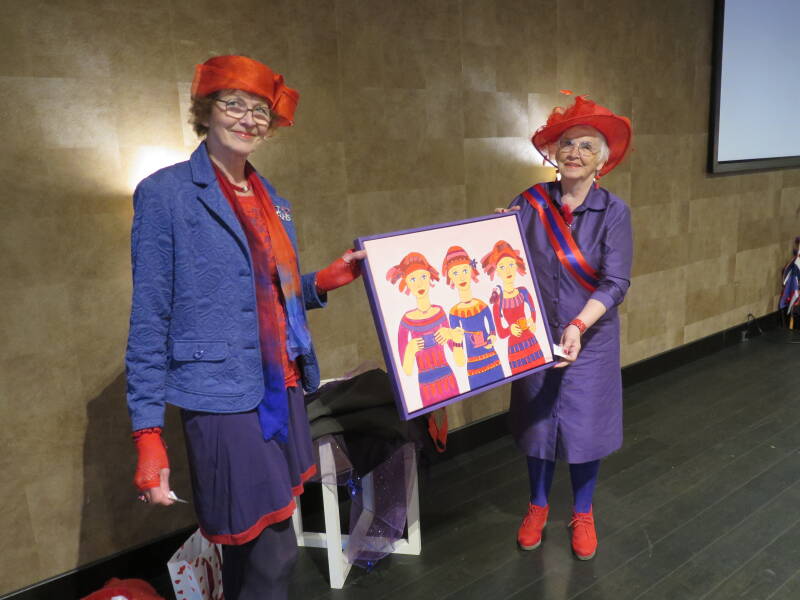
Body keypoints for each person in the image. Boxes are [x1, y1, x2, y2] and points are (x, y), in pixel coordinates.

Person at [125, 55, 364, 600]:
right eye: (234, 104)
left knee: (253, 547)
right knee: (273, 551)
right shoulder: (165, 193)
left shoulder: (272, 199)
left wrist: (323, 281)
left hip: (283, 384)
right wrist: (147, 433)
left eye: (261, 111)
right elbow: (149, 318)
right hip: (223, 398)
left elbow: (267, 296)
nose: (248, 119)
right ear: (206, 110)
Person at [503, 95, 633, 560]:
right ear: (554, 153)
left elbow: (615, 282)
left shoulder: (614, 212)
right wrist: (493, 234)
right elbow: (501, 259)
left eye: (587, 146)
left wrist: (578, 324)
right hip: (534, 334)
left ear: (602, 161)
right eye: (567, 144)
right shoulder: (529, 202)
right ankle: (537, 506)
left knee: (585, 430)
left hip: (590, 339)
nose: (574, 152)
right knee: (538, 426)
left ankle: (582, 512)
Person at [387, 252, 460, 406]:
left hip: (448, 379)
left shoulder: (440, 313)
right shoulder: (406, 321)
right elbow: (406, 371)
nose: (419, 284)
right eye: (413, 279)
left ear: (429, 278)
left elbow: (459, 359)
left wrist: (453, 336)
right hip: (426, 386)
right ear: (406, 283)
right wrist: (410, 350)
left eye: (423, 277)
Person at [442, 245, 505, 389]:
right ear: (450, 276)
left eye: (464, 270)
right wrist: (456, 341)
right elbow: (459, 360)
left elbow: (493, 331)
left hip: (492, 358)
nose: (461, 276)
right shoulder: (454, 313)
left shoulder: (482, 305)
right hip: (473, 365)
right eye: (455, 272)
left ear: (471, 270)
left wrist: (492, 338)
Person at [481, 240, 547, 375]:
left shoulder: (523, 291)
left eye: (511, 264)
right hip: (515, 348)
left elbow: (533, 310)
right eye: (502, 267)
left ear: (516, 265)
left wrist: (532, 321)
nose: (508, 270)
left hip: (531, 341)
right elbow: (501, 333)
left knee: (542, 373)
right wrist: (510, 329)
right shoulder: (498, 302)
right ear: (497, 271)